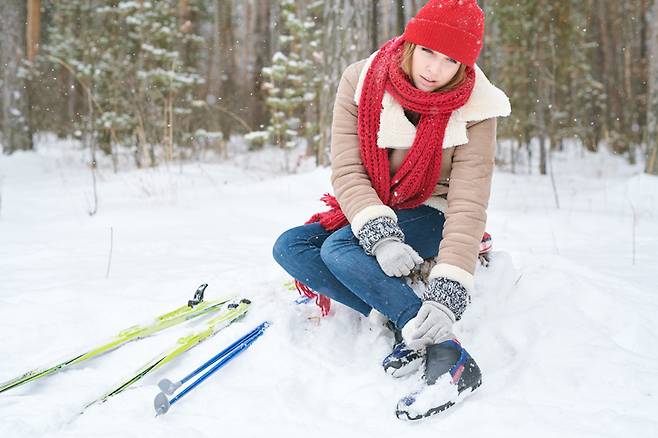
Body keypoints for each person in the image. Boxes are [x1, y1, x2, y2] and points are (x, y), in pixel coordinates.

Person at [272, 0, 510, 421]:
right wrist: (380, 234)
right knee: (292, 247)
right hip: (378, 204)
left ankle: (446, 351)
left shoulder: (478, 106)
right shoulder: (362, 81)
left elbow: (468, 201)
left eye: (451, 60)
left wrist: (448, 294)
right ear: (411, 42)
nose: (435, 69)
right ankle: (401, 316)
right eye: (428, 51)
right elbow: (347, 169)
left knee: (340, 252)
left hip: (433, 209)